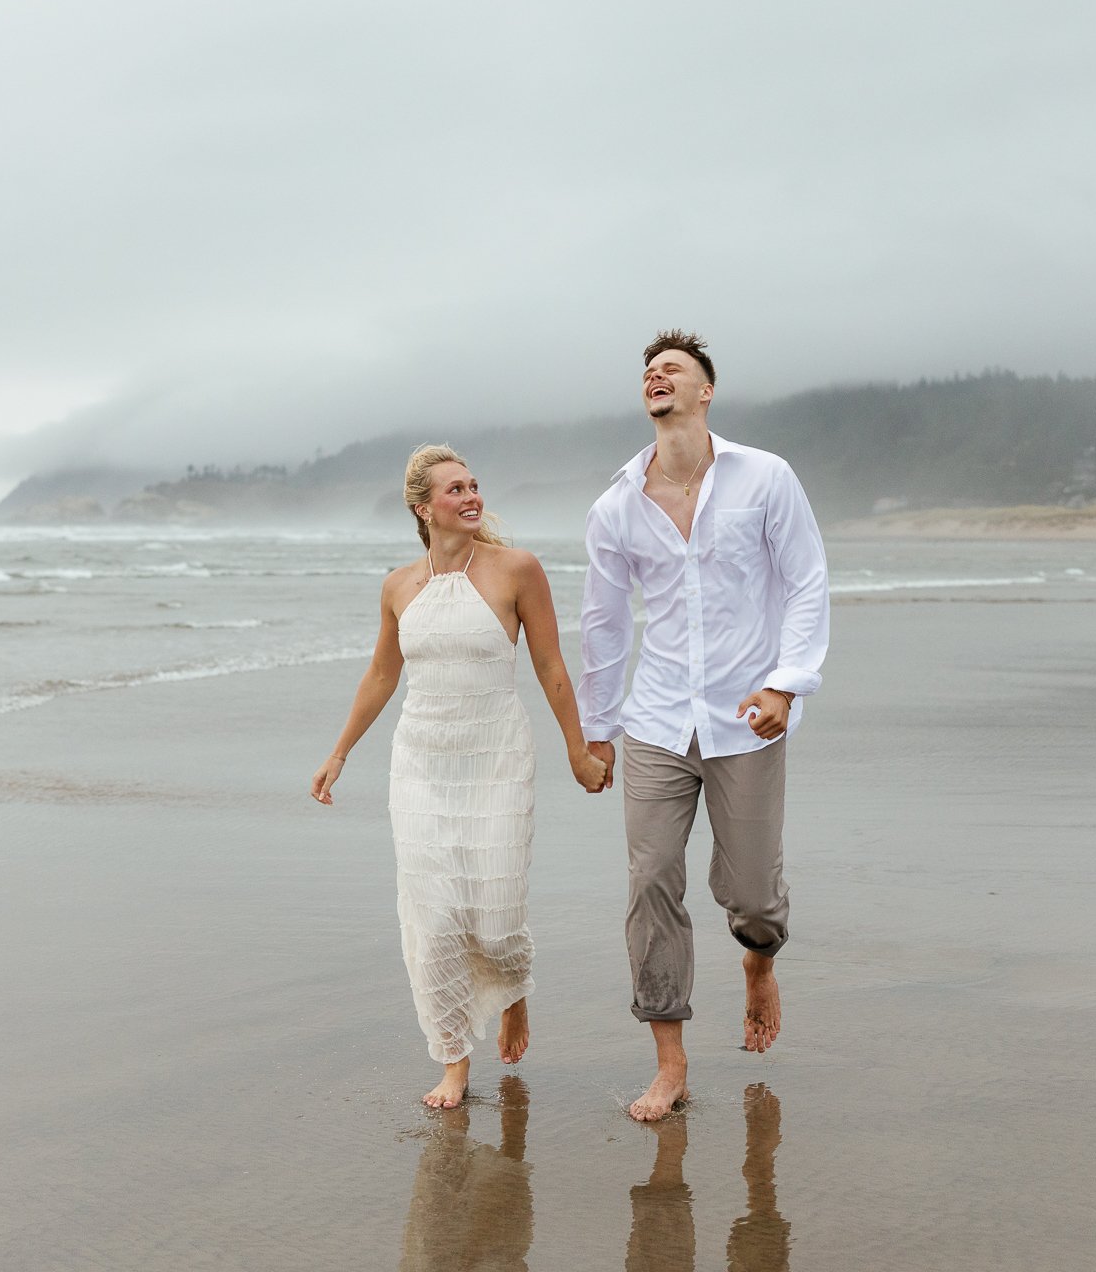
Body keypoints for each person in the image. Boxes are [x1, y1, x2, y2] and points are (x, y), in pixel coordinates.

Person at [579, 330, 830, 1122]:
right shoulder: (616, 506)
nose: (657, 375)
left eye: (674, 368)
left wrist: (786, 684)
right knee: (651, 880)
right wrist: (596, 729)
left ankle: (759, 962)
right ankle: (670, 1062)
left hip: (746, 716)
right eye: (649, 370)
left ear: (705, 391)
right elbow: (604, 622)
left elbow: (806, 581)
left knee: (752, 894)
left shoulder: (766, 478)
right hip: (656, 719)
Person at [313, 444, 609, 1108]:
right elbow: (381, 675)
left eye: (474, 486)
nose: (472, 496)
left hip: (497, 755)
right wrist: (339, 753)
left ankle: (512, 992)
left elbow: (551, 667)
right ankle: (453, 1058)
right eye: (455, 489)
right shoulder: (398, 587)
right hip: (421, 763)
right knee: (436, 917)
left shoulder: (517, 570)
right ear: (424, 509)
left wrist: (578, 749)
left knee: (497, 916)